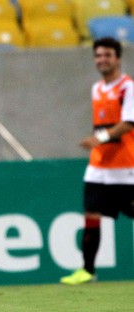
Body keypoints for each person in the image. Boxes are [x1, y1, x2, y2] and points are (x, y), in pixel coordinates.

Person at [60, 37, 134, 285]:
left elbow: (128, 124)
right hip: (98, 166)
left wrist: (99, 138)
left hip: (125, 166)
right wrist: (99, 143)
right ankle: (88, 270)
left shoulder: (127, 87)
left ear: (118, 58)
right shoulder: (97, 88)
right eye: (98, 55)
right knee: (91, 214)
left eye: (107, 55)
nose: (102, 60)